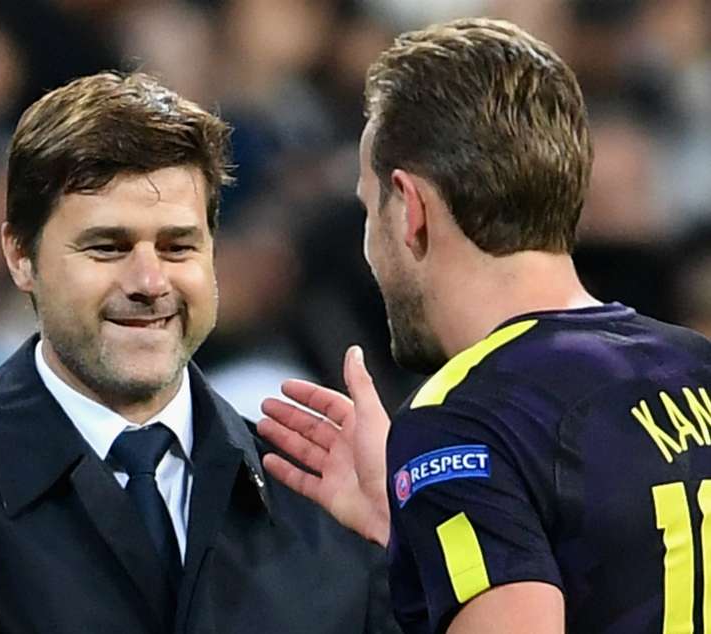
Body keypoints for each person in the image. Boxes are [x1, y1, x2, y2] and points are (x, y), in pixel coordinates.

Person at [0, 72, 396, 633]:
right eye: (107, 247)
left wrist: (406, 552)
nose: (150, 283)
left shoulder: (316, 496)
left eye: (178, 247)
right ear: (20, 256)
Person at [257, 17, 711, 634]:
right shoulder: (695, 364)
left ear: (410, 208)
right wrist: (415, 532)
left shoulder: (462, 419)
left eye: (370, 210)